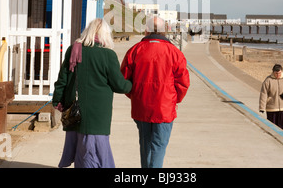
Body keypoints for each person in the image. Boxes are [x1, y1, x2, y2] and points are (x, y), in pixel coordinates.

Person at [52, 18, 132, 168]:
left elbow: (62, 79)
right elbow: (120, 85)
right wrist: (133, 84)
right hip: (98, 114)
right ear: (106, 35)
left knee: (81, 151)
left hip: (74, 110)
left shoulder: (73, 49)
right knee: (95, 151)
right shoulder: (108, 55)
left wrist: (57, 101)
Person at [121, 16, 190, 168]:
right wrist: (173, 99)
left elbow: (124, 80)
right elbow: (183, 82)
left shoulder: (135, 50)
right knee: (159, 146)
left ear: (146, 30)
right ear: (165, 31)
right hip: (164, 108)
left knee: (145, 145)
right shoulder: (174, 52)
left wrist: (135, 95)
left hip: (142, 106)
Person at [259, 64, 283, 131]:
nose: (278, 75)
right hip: (271, 108)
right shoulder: (268, 80)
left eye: (279, 73)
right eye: (276, 73)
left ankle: (282, 135)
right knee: (273, 128)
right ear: (273, 72)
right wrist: (262, 107)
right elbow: (263, 94)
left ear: (281, 71)